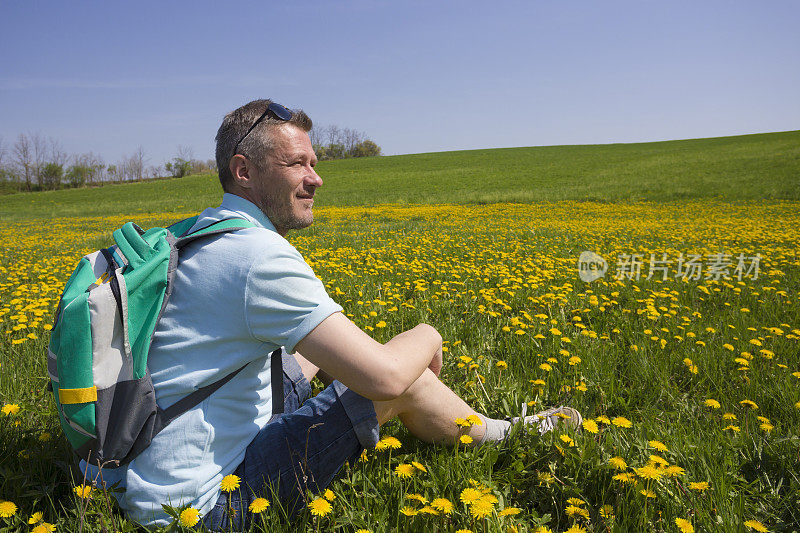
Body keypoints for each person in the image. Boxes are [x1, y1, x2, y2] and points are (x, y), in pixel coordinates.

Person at [82, 99, 581, 530]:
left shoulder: (193, 236)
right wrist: (427, 335)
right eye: (297, 164)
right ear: (244, 171)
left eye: (313, 163)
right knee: (399, 377)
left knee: (317, 359)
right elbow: (384, 377)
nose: (315, 178)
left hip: (134, 473)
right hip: (206, 508)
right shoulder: (257, 257)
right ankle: (503, 432)